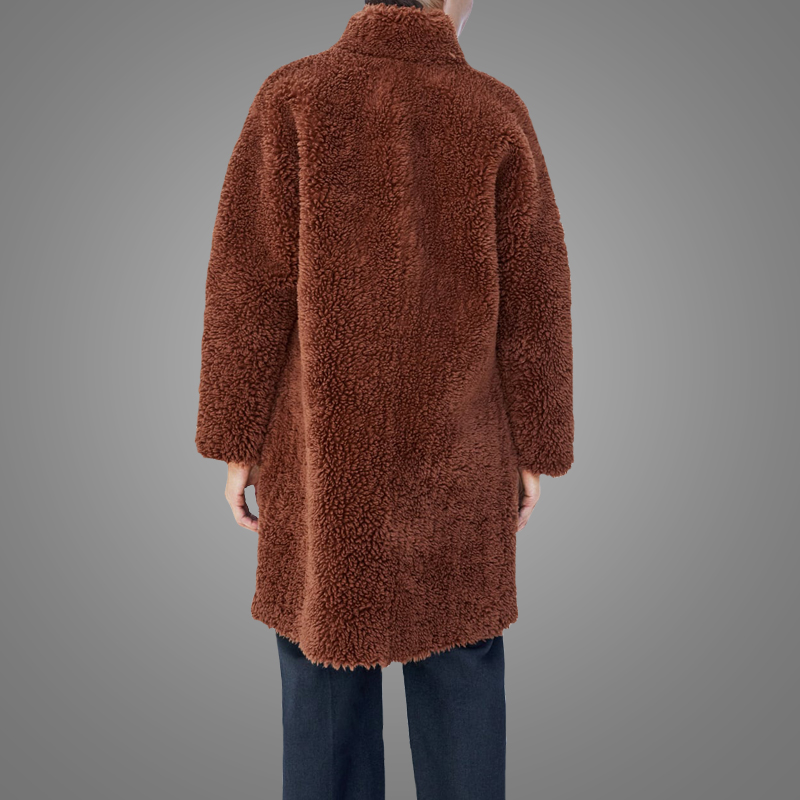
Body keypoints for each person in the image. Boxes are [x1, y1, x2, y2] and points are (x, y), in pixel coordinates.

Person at [195, 0, 574, 797]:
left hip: (323, 463)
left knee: (323, 663)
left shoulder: (293, 95)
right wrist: (536, 449)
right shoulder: (495, 111)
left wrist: (235, 441)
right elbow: (537, 300)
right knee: (462, 662)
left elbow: (247, 282)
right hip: (460, 461)